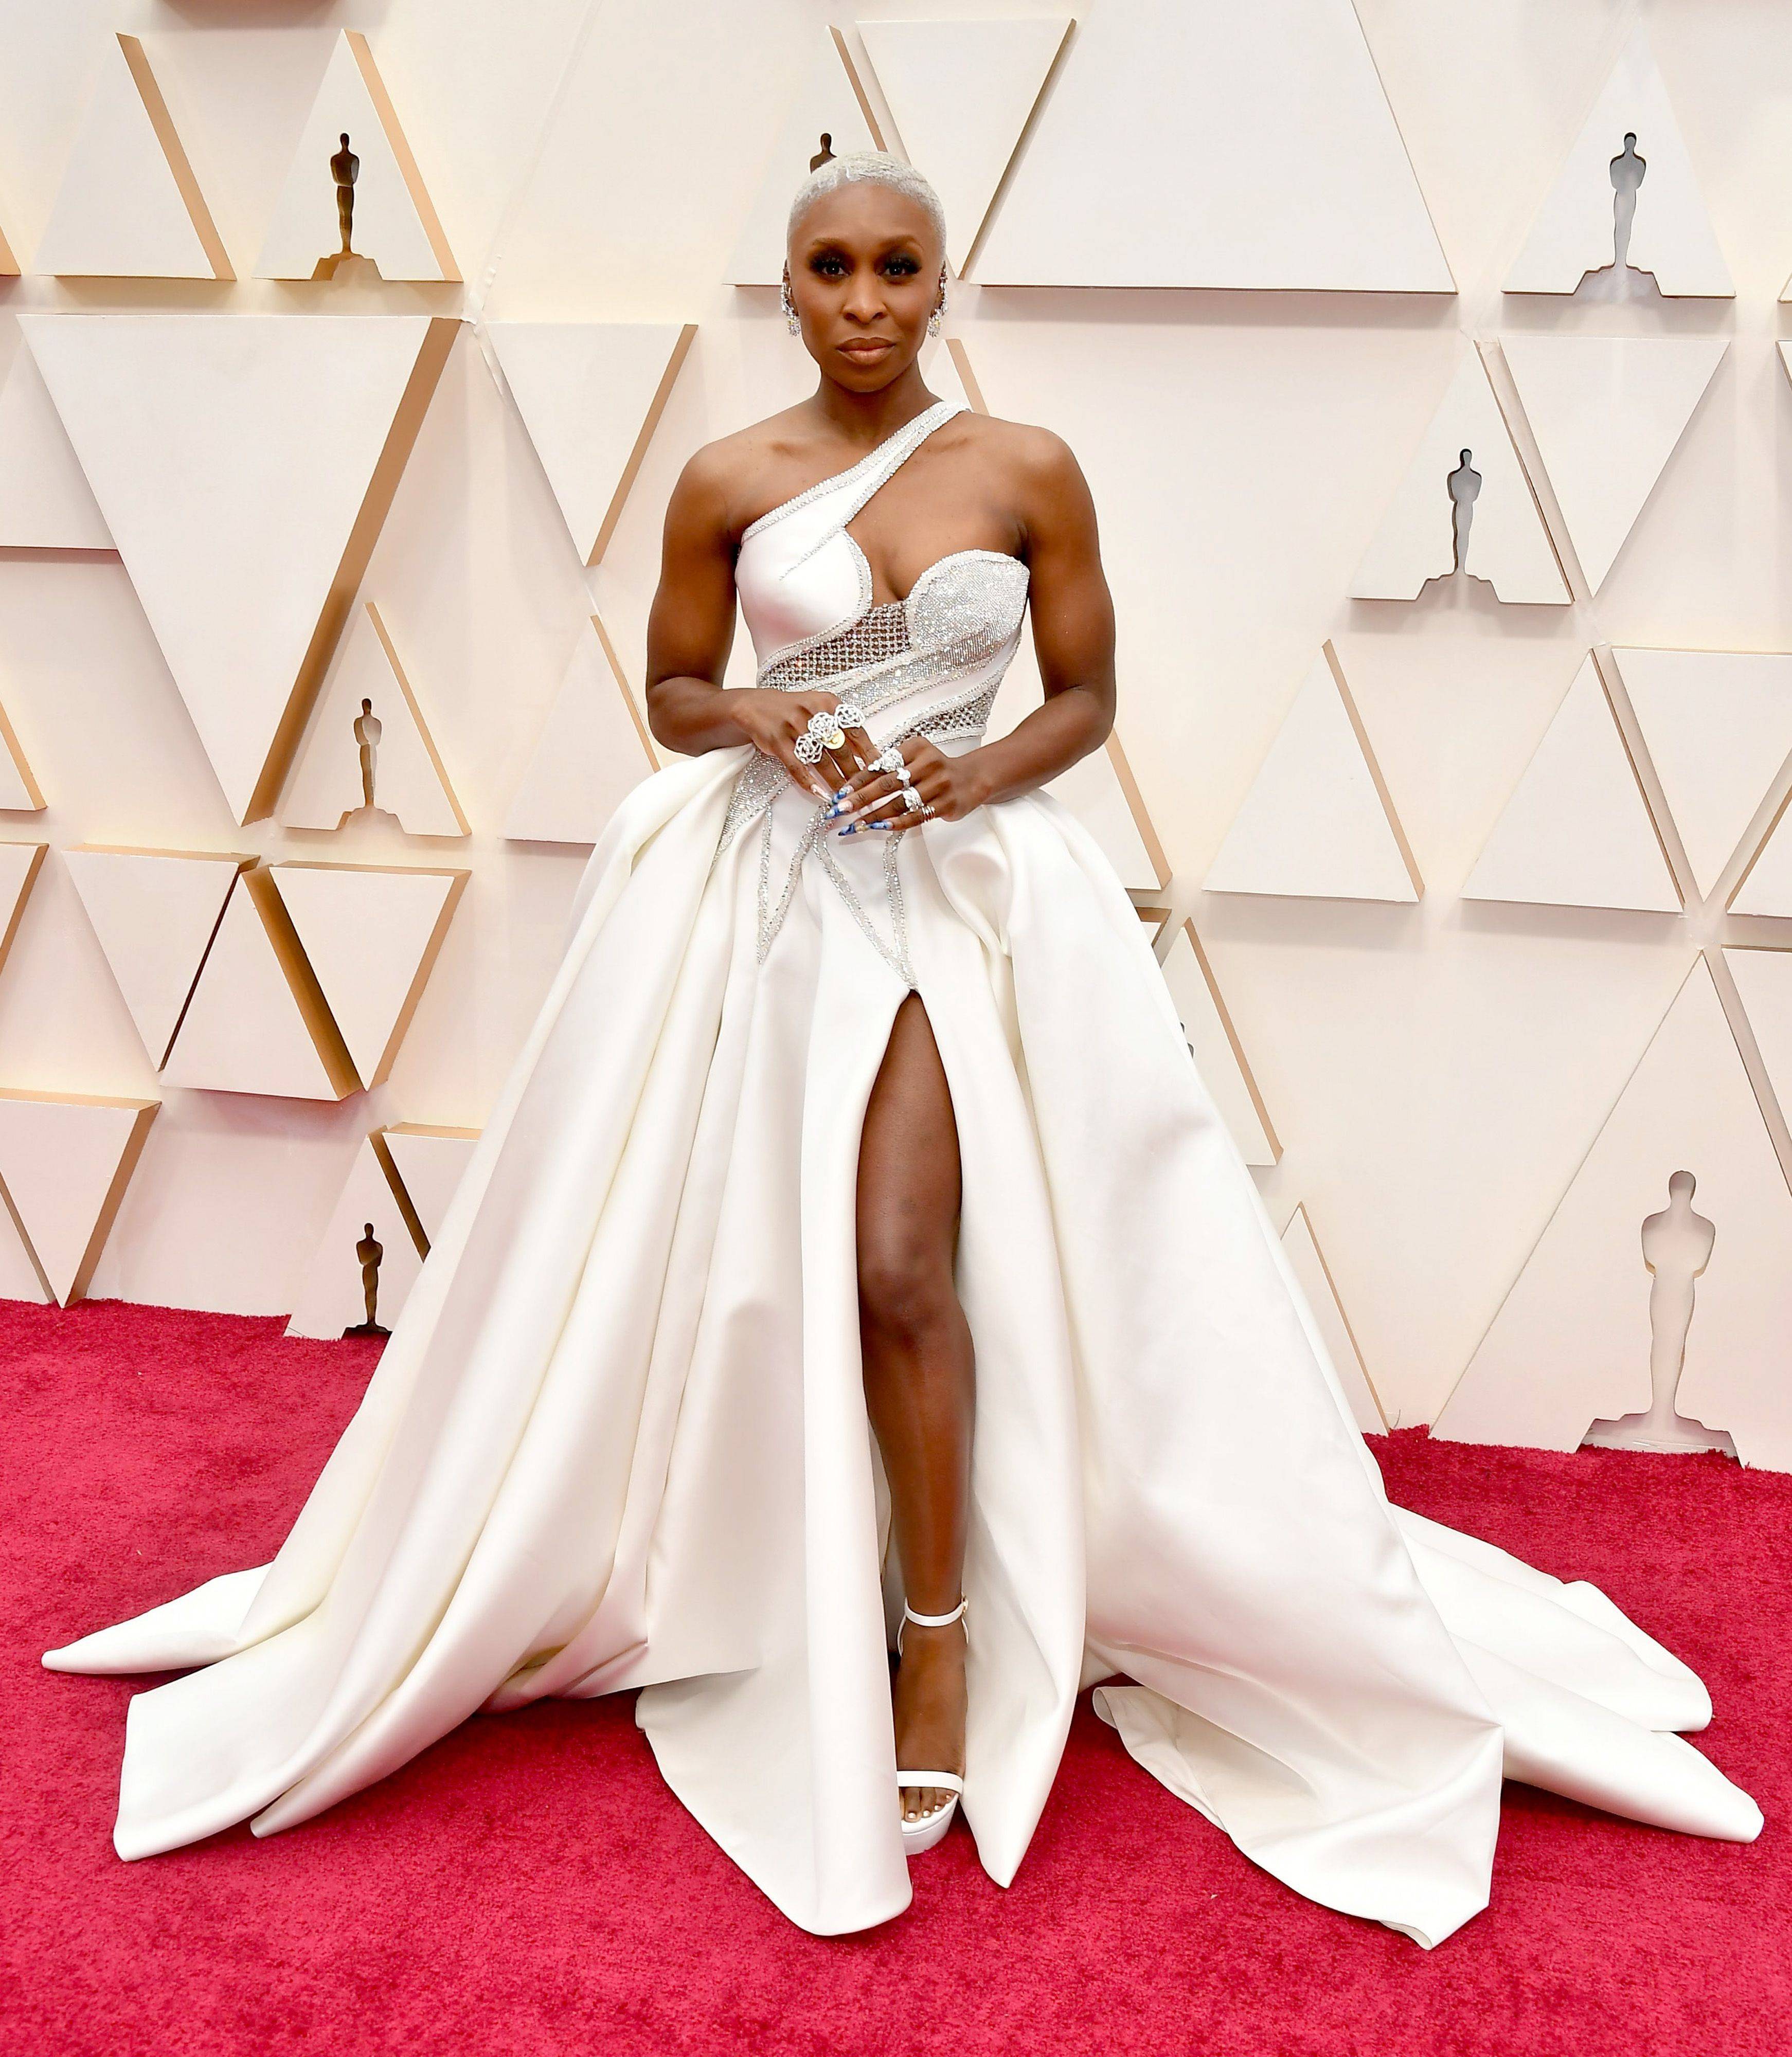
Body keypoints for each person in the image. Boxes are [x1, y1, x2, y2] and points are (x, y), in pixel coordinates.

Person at [44, 152, 1761, 1948]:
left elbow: (1088, 697)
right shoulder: (727, 477)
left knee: (896, 1264)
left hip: (958, 891)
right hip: (762, 902)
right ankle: (758, 1574)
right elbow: (674, 694)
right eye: (829, 267)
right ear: (782, 287)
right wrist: (764, 716)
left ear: (944, 282)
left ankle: (935, 1661)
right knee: (727, 1263)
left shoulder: (1026, 470)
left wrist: (976, 767)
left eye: (897, 267)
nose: (864, 299)